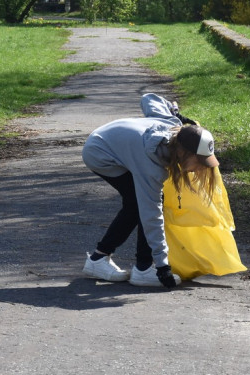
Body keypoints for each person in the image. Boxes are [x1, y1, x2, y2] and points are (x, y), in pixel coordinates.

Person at [81, 93, 218, 288]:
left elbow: (149, 99)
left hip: (113, 140)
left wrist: (175, 113)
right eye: (199, 161)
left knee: (135, 203)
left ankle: (98, 259)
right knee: (142, 204)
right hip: (100, 153)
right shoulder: (151, 164)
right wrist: (163, 266)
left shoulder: (173, 126)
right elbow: (152, 215)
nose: (200, 168)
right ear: (183, 153)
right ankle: (144, 269)